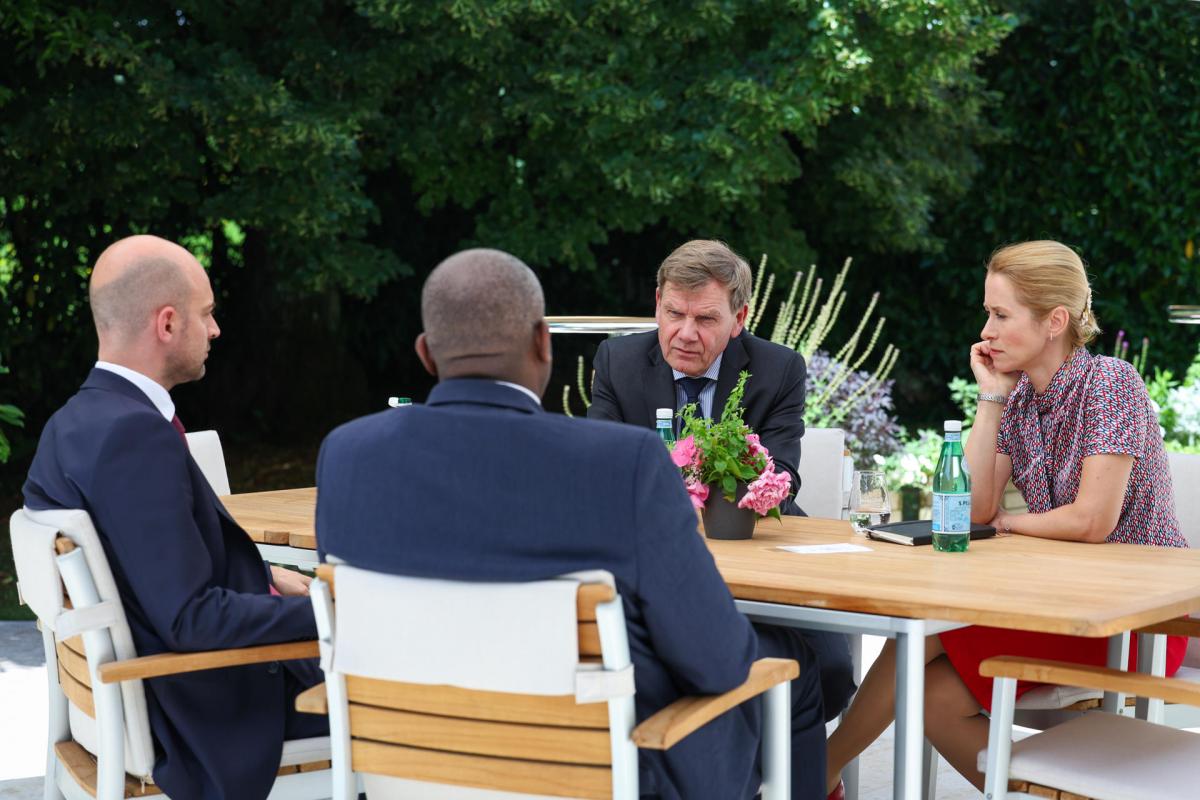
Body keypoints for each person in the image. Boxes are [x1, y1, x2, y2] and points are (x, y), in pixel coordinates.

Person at [316, 248, 828, 800]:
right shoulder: (622, 463)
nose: (685, 331)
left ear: (424, 353)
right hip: (601, 766)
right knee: (790, 666)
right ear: (544, 342)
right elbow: (719, 663)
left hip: (412, 758)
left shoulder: (345, 456)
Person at [824, 240, 1188, 794]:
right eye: (986, 313)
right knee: (931, 694)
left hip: (1131, 621)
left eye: (1000, 314)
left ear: (1054, 321)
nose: (986, 330)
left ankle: (814, 772)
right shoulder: (1018, 398)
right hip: (1057, 605)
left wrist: (1012, 527)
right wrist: (991, 397)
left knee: (921, 634)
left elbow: (1092, 521)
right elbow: (972, 509)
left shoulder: (1110, 383)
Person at [24, 235, 326, 800]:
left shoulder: (74, 422)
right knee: (420, 694)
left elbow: (159, 574)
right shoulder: (132, 436)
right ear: (167, 324)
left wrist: (265, 581)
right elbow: (191, 619)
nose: (214, 330)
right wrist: (328, 613)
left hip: (166, 695)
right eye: (206, 314)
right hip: (214, 717)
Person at [586, 239, 858, 727]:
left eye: (706, 319)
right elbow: (600, 471)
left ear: (739, 319)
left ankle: (794, 766)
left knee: (833, 671)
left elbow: (781, 475)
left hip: (761, 555)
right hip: (653, 565)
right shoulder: (617, 362)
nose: (685, 333)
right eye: (674, 313)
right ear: (657, 305)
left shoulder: (779, 369)